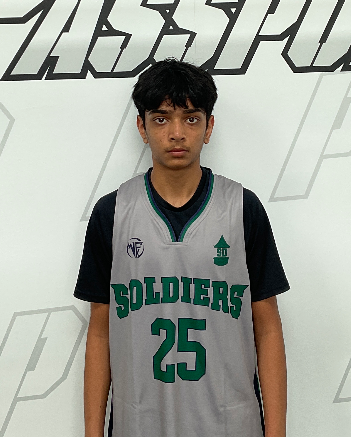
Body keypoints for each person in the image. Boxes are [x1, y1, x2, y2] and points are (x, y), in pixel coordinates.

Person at [74, 58, 289, 437]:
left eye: (191, 118)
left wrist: (277, 433)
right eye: (161, 119)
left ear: (209, 127)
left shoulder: (242, 208)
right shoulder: (113, 212)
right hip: (139, 424)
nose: (177, 133)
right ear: (142, 127)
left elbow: (267, 326)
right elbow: (100, 331)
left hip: (229, 425)